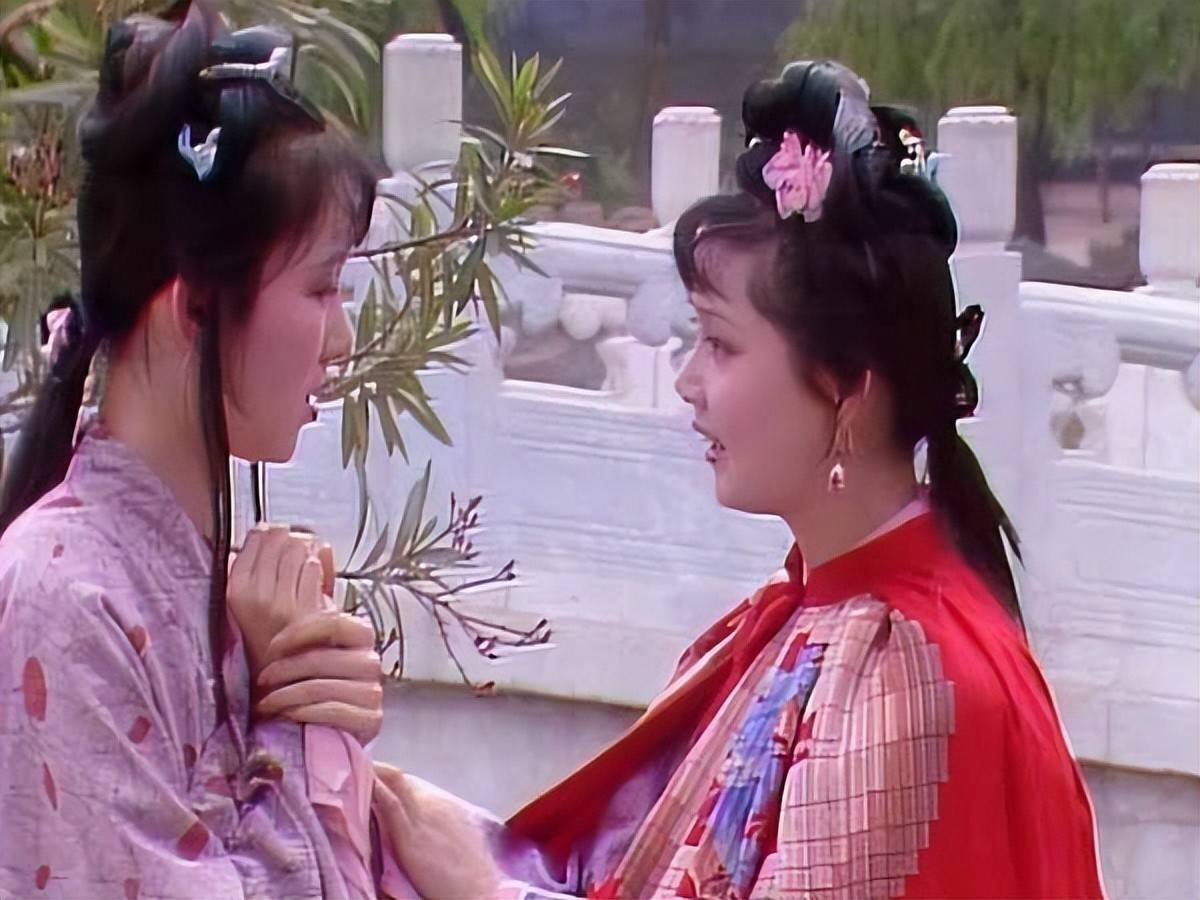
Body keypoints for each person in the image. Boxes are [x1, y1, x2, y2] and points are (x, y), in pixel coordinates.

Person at [369, 60, 1106, 899]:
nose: (687, 381)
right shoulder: (824, 619)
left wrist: (484, 889)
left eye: (719, 344)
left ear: (845, 391)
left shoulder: (910, 681)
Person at [0, 3, 388, 897]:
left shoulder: (208, 585)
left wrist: (314, 690)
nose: (340, 340)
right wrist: (290, 727)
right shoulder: (64, 600)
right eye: (322, 288)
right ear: (196, 307)